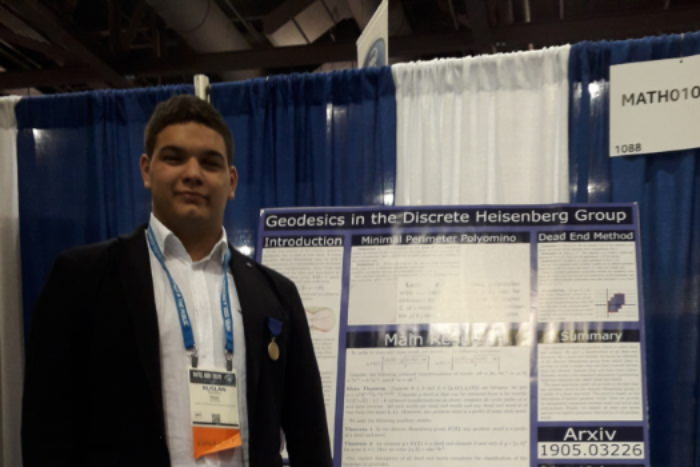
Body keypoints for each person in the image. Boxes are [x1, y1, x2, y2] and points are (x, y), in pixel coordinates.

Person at [21, 95, 332, 467]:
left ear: (231, 181)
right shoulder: (82, 278)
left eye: (210, 162)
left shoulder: (276, 295)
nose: (193, 173)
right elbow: (47, 429)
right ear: (146, 170)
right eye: (174, 158)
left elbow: (309, 434)